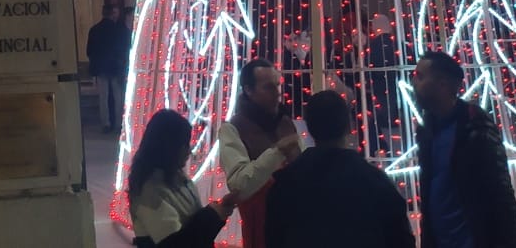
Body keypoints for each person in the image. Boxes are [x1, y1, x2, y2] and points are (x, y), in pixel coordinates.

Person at [264, 89, 414, 248]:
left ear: (308, 128)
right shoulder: (376, 182)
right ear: (348, 126)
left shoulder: (285, 184)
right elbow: (401, 239)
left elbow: (273, 239)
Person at [411, 50, 516, 248]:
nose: (414, 83)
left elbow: (500, 197)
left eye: (420, 77)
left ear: (442, 84)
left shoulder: (476, 129)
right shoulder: (427, 131)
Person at [217, 58, 304, 248]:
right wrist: (278, 152)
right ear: (248, 90)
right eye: (269, 87)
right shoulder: (232, 129)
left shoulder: (285, 122)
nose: (277, 93)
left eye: (277, 86)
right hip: (262, 230)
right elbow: (239, 185)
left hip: (297, 226)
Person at [126, 108, 237, 248]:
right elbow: (176, 243)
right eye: (184, 145)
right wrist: (213, 215)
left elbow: (194, 225)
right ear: (169, 147)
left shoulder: (175, 176)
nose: (189, 151)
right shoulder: (149, 191)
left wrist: (217, 211)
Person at [87, 2, 133, 134]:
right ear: (113, 14)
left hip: (101, 67)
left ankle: (105, 123)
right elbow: (126, 48)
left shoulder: (94, 29)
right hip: (116, 67)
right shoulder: (121, 30)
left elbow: (89, 50)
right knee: (118, 96)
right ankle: (119, 123)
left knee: (103, 96)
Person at [362, 12, 402, 155]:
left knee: (384, 136)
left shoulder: (372, 47)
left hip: (379, 97)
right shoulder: (398, 44)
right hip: (399, 98)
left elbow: (366, 70)